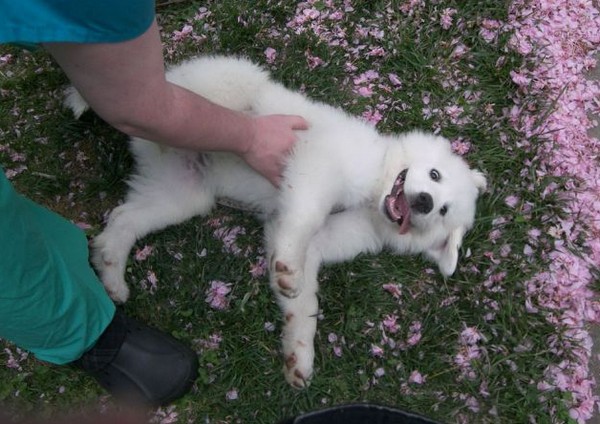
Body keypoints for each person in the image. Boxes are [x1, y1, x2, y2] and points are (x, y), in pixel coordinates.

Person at [0, 0, 308, 406]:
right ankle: (82, 332)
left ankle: (116, 238)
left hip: (196, 152)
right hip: (207, 107)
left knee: (188, 197)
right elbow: (142, 108)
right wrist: (249, 135)